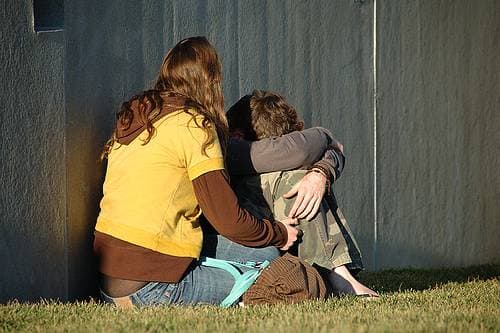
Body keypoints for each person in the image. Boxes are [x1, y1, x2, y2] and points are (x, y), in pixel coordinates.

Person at [93, 37, 300, 307]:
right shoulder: (194, 125)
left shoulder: (138, 118)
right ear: (210, 81)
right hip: (151, 288)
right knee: (269, 261)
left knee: (257, 251)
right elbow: (229, 220)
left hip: (109, 282)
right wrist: (279, 233)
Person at [225, 90, 379, 297]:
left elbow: (327, 151)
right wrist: (325, 137)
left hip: (272, 237)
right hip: (231, 245)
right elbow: (299, 151)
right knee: (294, 179)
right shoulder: (230, 149)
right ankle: (334, 275)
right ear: (237, 136)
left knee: (305, 180)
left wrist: (320, 172)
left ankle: (336, 274)